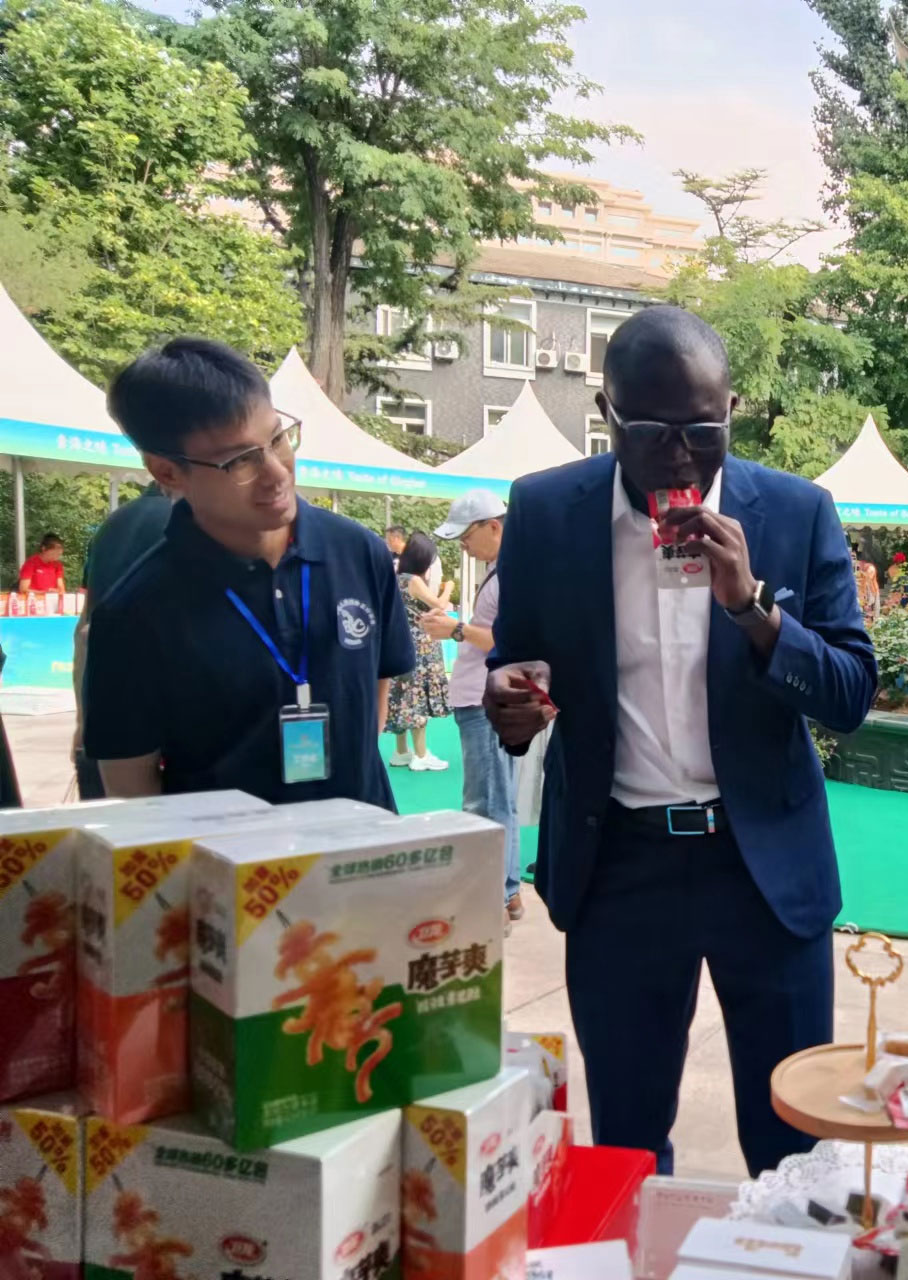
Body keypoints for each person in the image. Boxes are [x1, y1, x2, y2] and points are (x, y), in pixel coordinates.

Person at [484, 305, 877, 1178]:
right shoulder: (546, 512)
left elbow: (851, 693)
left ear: (731, 408)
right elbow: (517, 660)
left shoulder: (796, 512)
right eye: (652, 433)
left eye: (704, 431)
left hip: (763, 870)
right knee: (626, 1144)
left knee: (794, 1144)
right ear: (607, 412)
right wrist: (510, 701)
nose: (680, 458)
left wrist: (753, 609)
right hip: (619, 866)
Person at [83, 336, 415, 806]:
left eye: (277, 439)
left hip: (363, 843)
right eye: (239, 460)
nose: (277, 473)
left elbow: (376, 689)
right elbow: (130, 786)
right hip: (225, 853)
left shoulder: (360, 553)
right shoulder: (135, 611)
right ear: (168, 472)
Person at [423, 490, 523, 929]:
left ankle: (493, 899)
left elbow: (509, 640)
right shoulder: (503, 571)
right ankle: (507, 892)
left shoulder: (511, 574)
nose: (463, 546)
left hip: (486, 700)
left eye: (466, 537)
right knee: (497, 800)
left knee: (487, 804)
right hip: (484, 699)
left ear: (493, 527)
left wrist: (456, 630)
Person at [72, 482, 176, 799]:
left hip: (103, 720)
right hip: (153, 739)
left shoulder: (110, 525)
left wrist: (82, 719)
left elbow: (84, 631)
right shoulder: (188, 526)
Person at [385, 531, 452, 772]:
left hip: (402, 642)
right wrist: (449, 587)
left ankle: (401, 751)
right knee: (417, 698)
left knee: (402, 697)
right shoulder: (413, 581)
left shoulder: (397, 578)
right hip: (421, 646)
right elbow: (440, 604)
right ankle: (421, 755)